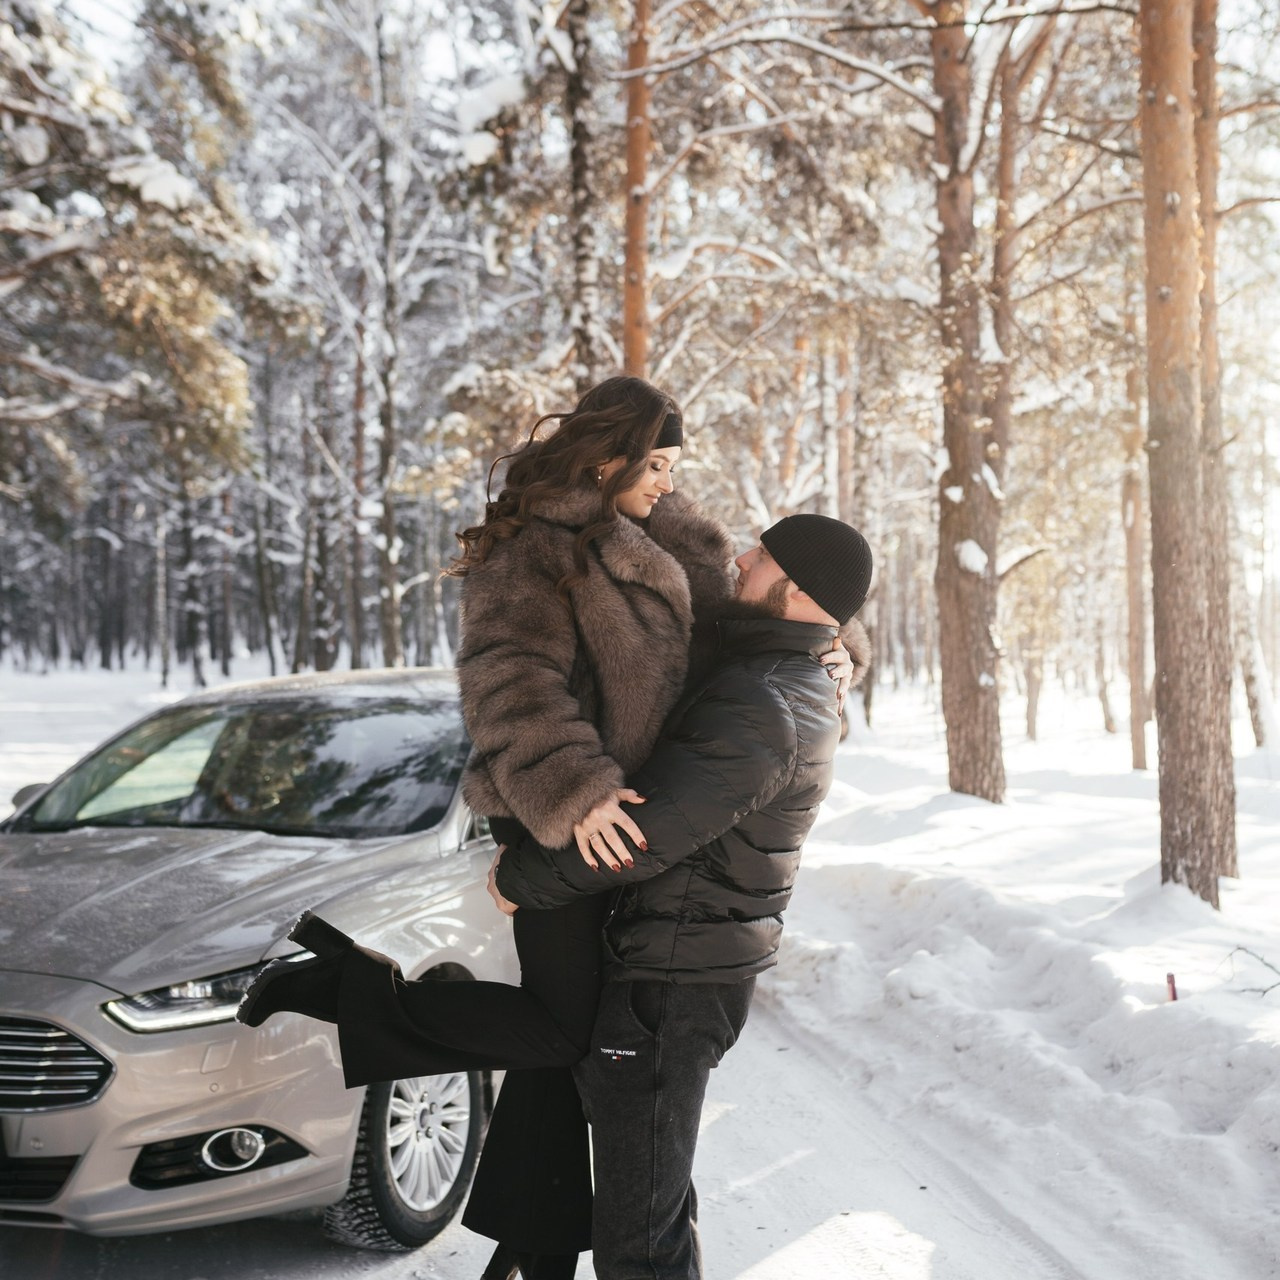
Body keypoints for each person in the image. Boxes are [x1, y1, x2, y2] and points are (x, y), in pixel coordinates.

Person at [237, 377, 855, 1280]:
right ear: (612, 461)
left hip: (635, 843)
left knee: (573, 1066)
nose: (670, 485)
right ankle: (338, 990)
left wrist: (830, 646)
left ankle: (530, 1253)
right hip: (569, 827)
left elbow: (756, 624)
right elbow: (511, 683)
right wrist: (574, 788)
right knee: (567, 1036)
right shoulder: (531, 553)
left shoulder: (676, 539)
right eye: (658, 466)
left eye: (677, 468)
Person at [492, 513, 874, 1280]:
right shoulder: (775, 677)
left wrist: (520, 883)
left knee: (638, 1241)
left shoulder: (766, 701)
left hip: (668, 991)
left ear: (797, 590)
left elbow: (646, 834)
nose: (740, 560)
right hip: (678, 975)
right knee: (656, 1209)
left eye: (761, 558)